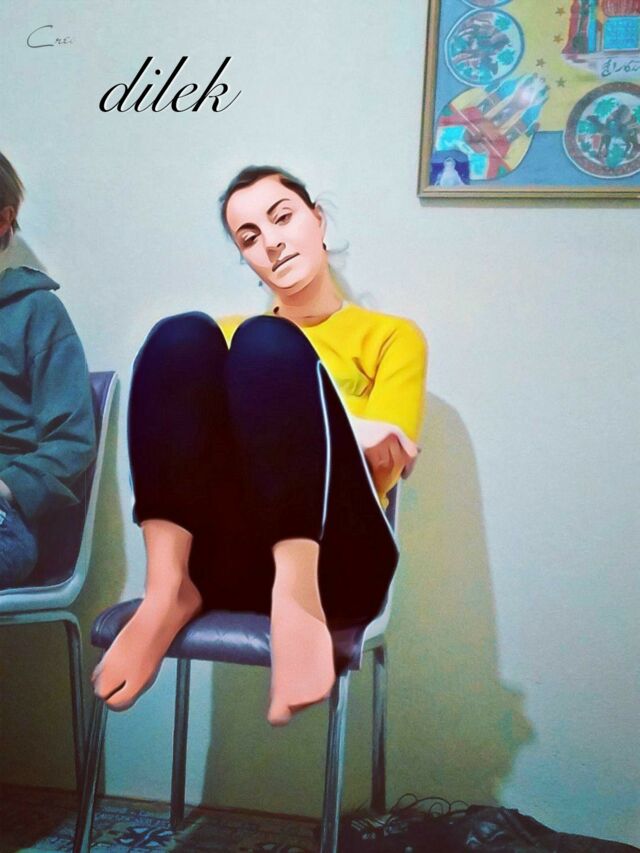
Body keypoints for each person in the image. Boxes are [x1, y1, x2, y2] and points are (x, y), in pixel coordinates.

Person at [92, 165, 428, 726]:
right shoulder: (221, 340)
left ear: (317, 220)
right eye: (249, 237)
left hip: (338, 564)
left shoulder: (389, 336)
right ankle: (167, 589)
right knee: (179, 334)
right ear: (245, 258)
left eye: (282, 218)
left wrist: (327, 422)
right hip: (228, 562)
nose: (270, 242)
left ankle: (298, 599)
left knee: (267, 343)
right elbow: (179, 456)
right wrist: (349, 425)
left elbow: (383, 463)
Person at [0, 152, 97, 590]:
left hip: (9, 517)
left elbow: (72, 441)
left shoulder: (36, 311)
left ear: (3, 220)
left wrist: (7, 487)